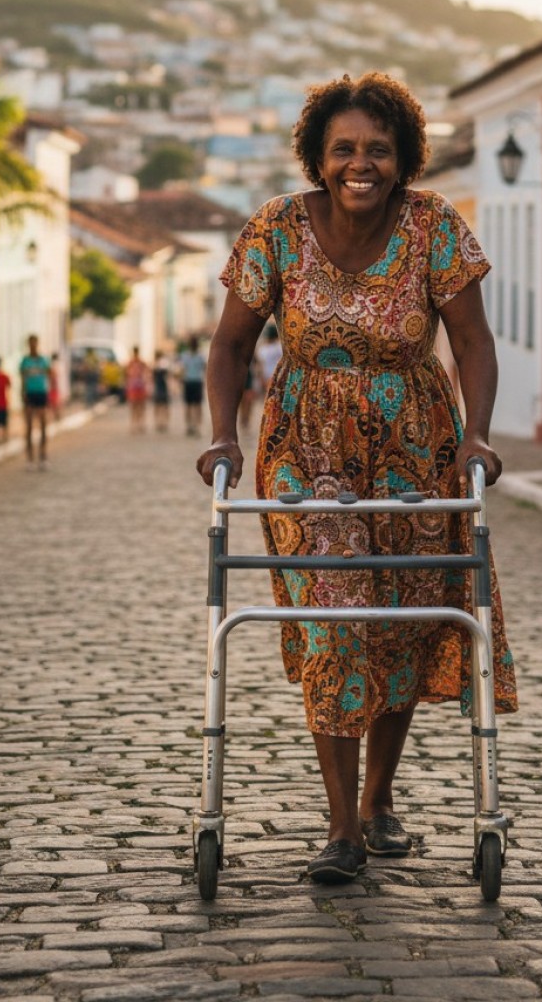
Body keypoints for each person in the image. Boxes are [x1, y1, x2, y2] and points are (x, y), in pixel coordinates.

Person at [195, 71, 517, 885]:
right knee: (339, 620)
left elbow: (473, 343)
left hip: (418, 447)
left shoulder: (435, 225)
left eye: (378, 149)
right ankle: (342, 829)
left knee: (399, 619)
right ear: (318, 156)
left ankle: (378, 800)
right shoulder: (274, 227)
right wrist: (219, 437)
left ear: (403, 156)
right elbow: (230, 345)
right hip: (307, 453)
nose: (360, 164)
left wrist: (476, 436)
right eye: (344, 149)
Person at [20, 334, 51, 468]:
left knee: (43, 425)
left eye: (35, 343)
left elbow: (49, 376)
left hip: (41, 393)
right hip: (29, 394)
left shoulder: (43, 360)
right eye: (31, 343)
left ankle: (43, 456)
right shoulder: (25, 361)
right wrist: (23, 393)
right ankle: (30, 458)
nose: (33, 345)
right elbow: (22, 379)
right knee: (29, 426)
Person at [179, 335, 207, 437]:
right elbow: (205, 369)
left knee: (190, 405)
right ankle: (195, 425)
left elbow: (182, 370)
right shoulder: (199, 356)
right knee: (195, 405)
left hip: (190, 381)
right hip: (195, 381)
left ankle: (191, 425)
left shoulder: (186, 356)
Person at [124, 347, 150, 434]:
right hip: (136, 386)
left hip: (137, 386)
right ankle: (137, 425)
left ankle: (138, 424)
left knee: (138, 406)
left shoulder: (138, 362)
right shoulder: (133, 362)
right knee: (137, 406)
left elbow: (147, 372)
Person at [255, 324, 283, 395]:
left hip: (266, 378)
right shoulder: (279, 347)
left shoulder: (262, 349)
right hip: (278, 377)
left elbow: (259, 366)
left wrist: (261, 379)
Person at [151, 350, 172, 433]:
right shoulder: (164, 365)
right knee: (164, 406)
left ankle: (159, 422)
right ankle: (164, 422)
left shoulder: (155, 365)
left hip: (158, 387)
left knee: (158, 406)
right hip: (163, 387)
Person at [48, 353, 63, 420]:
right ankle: (57, 415)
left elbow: (53, 375)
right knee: (56, 402)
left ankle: (57, 415)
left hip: (54, 386)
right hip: (57, 386)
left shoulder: (53, 365)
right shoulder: (59, 365)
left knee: (55, 402)